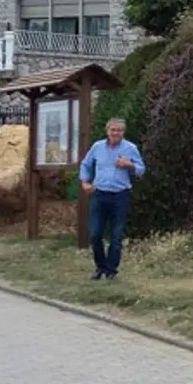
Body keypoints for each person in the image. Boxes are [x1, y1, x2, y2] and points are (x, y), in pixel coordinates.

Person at [78, 118, 145, 280]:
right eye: (113, 130)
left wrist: (128, 165)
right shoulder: (97, 147)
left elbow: (141, 170)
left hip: (119, 195)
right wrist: (85, 181)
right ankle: (100, 266)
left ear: (123, 132)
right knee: (95, 234)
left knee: (116, 235)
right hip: (99, 194)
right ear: (107, 131)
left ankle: (111, 270)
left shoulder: (130, 148)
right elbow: (86, 164)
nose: (116, 133)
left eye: (119, 130)